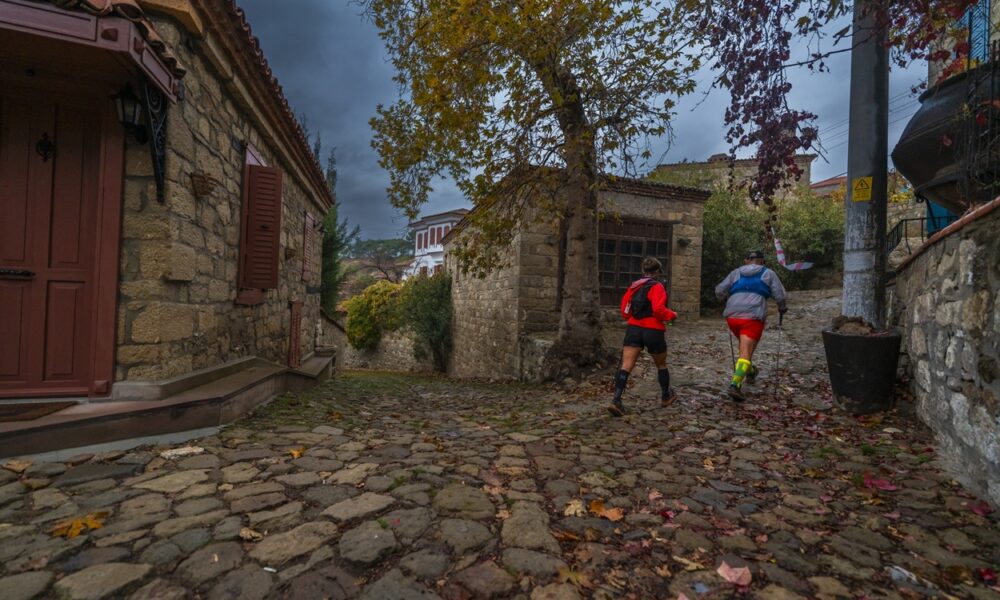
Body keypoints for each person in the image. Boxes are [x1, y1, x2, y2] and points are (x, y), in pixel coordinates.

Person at [609, 257, 678, 417]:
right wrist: (672, 315)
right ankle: (666, 396)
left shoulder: (633, 287)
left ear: (643, 271)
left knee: (626, 365)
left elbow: (625, 311)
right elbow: (658, 309)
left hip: (633, 329)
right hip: (653, 330)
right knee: (661, 364)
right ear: (657, 272)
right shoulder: (657, 286)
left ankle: (616, 400)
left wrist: (633, 318)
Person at [715, 249, 787, 401]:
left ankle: (751, 371)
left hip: (732, 317)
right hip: (752, 317)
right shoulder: (768, 273)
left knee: (745, 349)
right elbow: (780, 295)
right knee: (746, 352)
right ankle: (735, 385)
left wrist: (726, 298)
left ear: (746, 260)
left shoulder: (736, 273)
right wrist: (782, 307)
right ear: (762, 261)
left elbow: (720, 291)